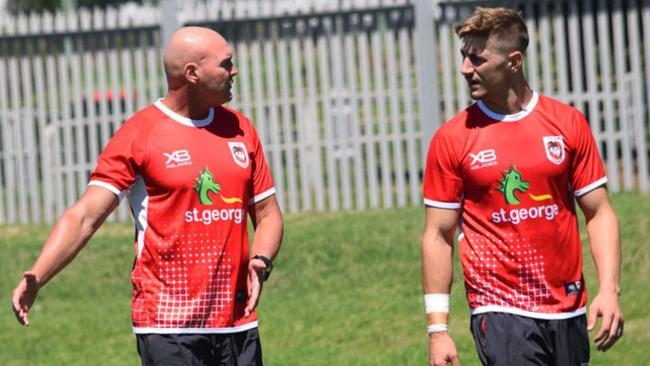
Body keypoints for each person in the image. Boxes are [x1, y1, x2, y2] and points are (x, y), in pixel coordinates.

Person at [12, 26, 283, 366]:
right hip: (169, 326)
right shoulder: (140, 134)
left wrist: (260, 262)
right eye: (226, 64)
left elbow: (269, 214)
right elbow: (84, 217)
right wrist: (38, 274)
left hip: (237, 323)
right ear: (192, 73)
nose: (235, 71)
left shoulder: (241, 129)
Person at [421, 7, 622, 366]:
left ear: (514, 62)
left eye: (477, 58)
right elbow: (438, 235)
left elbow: (599, 212)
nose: (465, 68)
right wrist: (438, 330)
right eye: (464, 57)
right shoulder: (453, 139)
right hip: (499, 310)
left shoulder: (568, 123)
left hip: (567, 308)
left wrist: (609, 289)